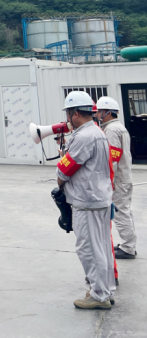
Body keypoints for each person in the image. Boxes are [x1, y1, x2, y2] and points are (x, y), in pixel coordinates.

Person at [57, 91, 116, 309]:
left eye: (68, 113)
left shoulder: (83, 137)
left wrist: (59, 178)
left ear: (75, 113)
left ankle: (99, 295)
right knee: (102, 247)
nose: (67, 118)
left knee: (88, 248)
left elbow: (65, 170)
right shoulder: (97, 132)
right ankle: (105, 290)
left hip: (87, 200)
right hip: (99, 198)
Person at [97, 97, 137, 260]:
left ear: (107, 113)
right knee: (126, 211)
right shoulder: (119, 127)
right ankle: (129, 244)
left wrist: (109, 181)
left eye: (99, 111)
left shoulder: (112, 130)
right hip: (124, 177)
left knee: (120, 213)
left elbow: (112, 158)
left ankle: (128, 247)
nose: (97, 114)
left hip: (119, 179)